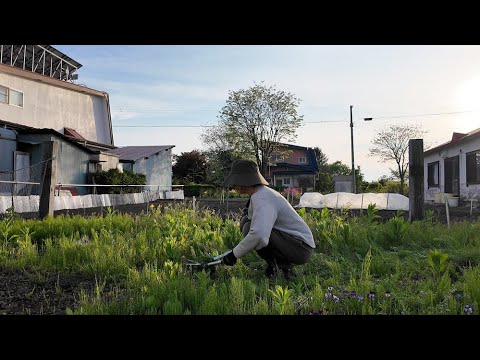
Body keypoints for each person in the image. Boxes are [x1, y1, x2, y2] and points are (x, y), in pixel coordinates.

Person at [220, 159, 315, 279]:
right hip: (294, 243)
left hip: (301, 248)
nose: (233, 186)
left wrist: (234, 255)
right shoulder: (259, 194)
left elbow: (259, 234)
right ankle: (276, 266)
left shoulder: (263, 197)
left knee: (250, 228)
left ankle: (282, 269)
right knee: (246, 222)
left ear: (243, 181)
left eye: (235, 182)